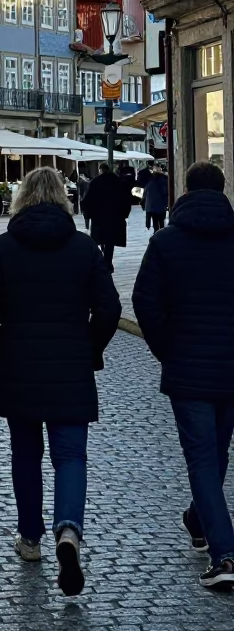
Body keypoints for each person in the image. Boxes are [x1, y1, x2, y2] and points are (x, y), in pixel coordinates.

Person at [0, 168, 121, 596]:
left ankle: (30, 538)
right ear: (63, 199)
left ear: (20, 199)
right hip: (71, 368)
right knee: (70, 456)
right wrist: (91, 348)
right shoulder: (83, 247)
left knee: (25, 455)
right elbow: (109, 309)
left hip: (20, 368)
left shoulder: (3, 248)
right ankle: (68, 530)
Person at [132, 160, 234, 589]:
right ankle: (198, 520)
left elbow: (144, 300)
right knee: (216, 453)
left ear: (185, 191)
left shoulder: (166, 241)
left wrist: (166, 349)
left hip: (188, 367)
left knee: (204, 457)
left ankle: (224, 554)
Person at [81, 162, 131, 272]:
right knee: (110, 241)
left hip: (99, 217)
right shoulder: (117, 181)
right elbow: (126, 199)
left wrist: (88, 215)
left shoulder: (95, 182)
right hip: (114, 217)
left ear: (100, 170)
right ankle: (108, 262)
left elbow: (86, 200)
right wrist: (124, 214)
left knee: (100, 238)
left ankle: (103, 260)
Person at [143, 162, 168, 232]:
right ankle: (161, 233)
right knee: (161, 222)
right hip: (161, 206)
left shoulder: (150, 182)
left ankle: (156, 232)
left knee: (155, 222)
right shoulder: (164, 180)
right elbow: (165, 193)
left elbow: (146, 193)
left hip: (153, 206)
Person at [136, 159, 156, 229]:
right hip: (149, 191)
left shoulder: (142, 172)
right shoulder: (152, 173)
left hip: (146, 191)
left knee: (148, 208)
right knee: (149, 208)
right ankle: (149, 224)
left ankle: (148, 224)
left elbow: (138, 182)